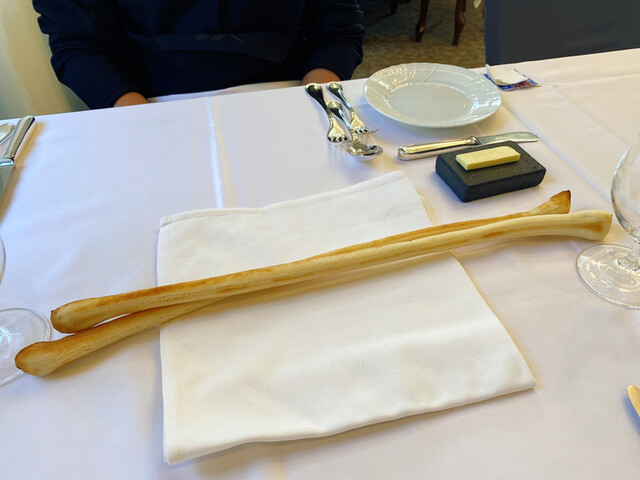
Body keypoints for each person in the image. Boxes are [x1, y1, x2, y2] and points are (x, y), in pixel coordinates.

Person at [32, 0, 365, 109]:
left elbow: (338, 28)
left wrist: (318, 106)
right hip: (149, 101)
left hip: (289, 94)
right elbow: (79, 44)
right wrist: (138, 118)